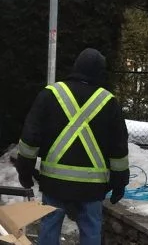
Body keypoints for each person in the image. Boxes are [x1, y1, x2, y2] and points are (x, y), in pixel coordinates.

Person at [14, 48, 130, 245]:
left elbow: (30, 138)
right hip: (92, 187)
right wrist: (119, 182)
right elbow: (118, 148)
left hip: (54, 183)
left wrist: (24, 170)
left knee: (50, 226)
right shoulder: (108, 101)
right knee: (91, 230)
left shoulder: (51, 94)